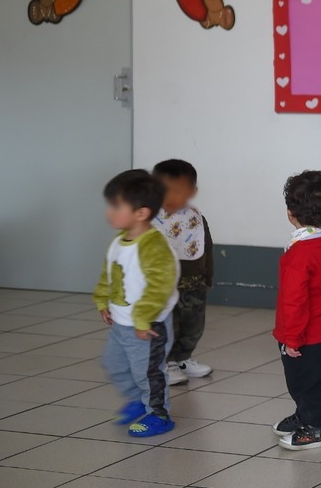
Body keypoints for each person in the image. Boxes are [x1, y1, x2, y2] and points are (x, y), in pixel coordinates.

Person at [93, 169, 180, 437]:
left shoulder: (154, 246)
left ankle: (158, 413)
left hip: (147, 325)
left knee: (148, 373)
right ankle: (138, 401)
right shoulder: (119, 241)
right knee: (114, 364)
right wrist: (103, 300)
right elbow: (110, 274)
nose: (110, 212)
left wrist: (143, 319)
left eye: (116, 206)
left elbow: (160, 287)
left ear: (141, 213)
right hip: (121, 322)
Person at [272, 170, 321, 450]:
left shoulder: (298, 253)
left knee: (305, 385)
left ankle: (315, 427)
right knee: (314, 381)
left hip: (305, 338)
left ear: (290, 212)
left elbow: (294, 301)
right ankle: (304, 414)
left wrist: (291, 338)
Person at [151, 159, 214, 385]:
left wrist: (208, 276)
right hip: (164, 286)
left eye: (179, 191)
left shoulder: (194, 217)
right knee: (169, 325)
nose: (171, 196)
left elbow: (207, 247)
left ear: (192, 192)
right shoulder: (149, 218)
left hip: (193, 283)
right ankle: (165, 362)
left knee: (194, 324)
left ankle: (183, 358)